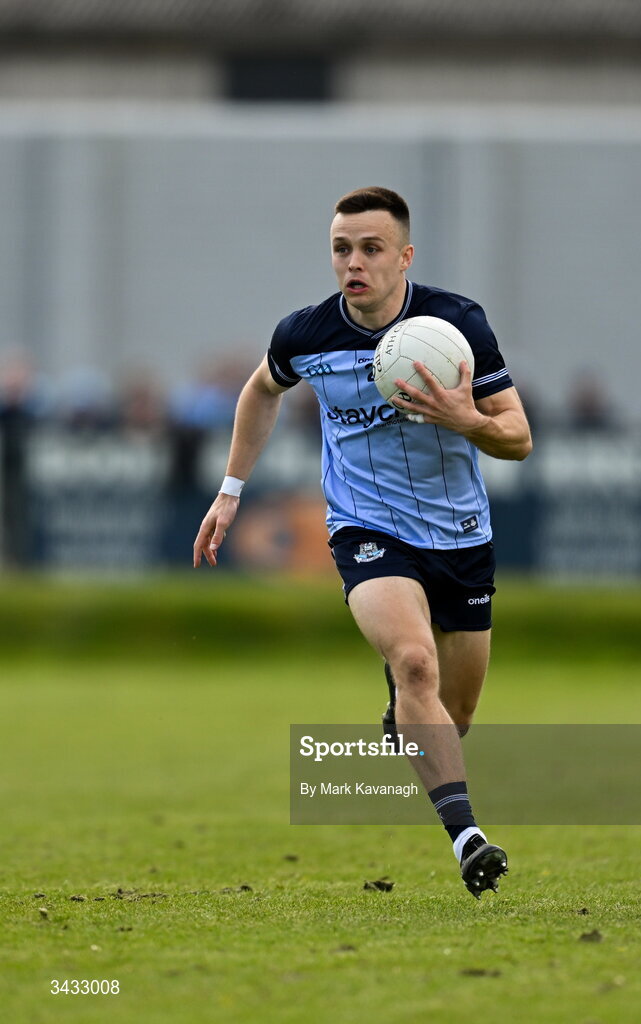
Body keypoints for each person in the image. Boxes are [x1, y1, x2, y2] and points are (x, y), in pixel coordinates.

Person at [193, 186, 532, 898]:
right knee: (414, 663)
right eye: (342, 249)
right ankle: (467, 838)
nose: (354, 262)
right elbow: (260, 390)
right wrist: (230, 491)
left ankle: (404, 708)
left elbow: (517, 439)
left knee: (455, 716)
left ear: (403, 256)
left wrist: (462, 417)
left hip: (460, 535)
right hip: (366, 527)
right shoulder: (305, 335)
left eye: (371, 249)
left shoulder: (455, 325)